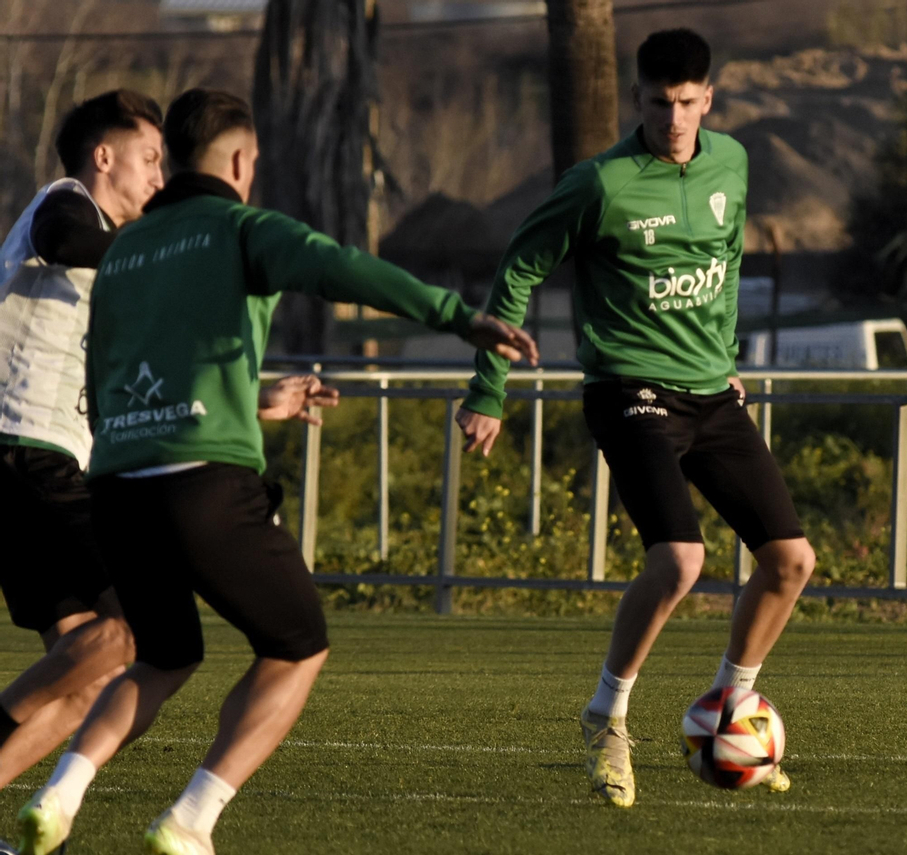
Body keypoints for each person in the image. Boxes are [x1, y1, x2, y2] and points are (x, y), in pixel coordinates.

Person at [14, 88, 537, 855]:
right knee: (297, 644)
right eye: (253, 162)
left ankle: (60, 794)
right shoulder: (239, 227)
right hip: (202, 482)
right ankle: (190, 819)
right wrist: (460, 317)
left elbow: (117, 368)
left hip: (117, 487)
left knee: (161, 654)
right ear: (236, 160)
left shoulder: (125, 250)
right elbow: (344, 267)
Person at [457, 28, 814, 808]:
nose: (675, 117)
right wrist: (488, 389)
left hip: (710, 392)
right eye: (660, 102)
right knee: (681, 561)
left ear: (709, 98)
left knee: (791, 561)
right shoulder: (600, 184)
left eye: (689, 102)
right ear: (638, 98)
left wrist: (723, 358)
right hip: (629, 388)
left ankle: (727, 706)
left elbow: (721, 266)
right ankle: (606, 717)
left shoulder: (734, 163)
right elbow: (519, 267)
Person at [0, 90, 166, 812]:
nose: (160, 178)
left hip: (43, 465)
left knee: (94, 674)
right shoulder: (65, 204)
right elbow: (64, 237)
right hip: (25, 454)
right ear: (105, 157)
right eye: (150, 159)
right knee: (139, 621)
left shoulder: (107, 262)